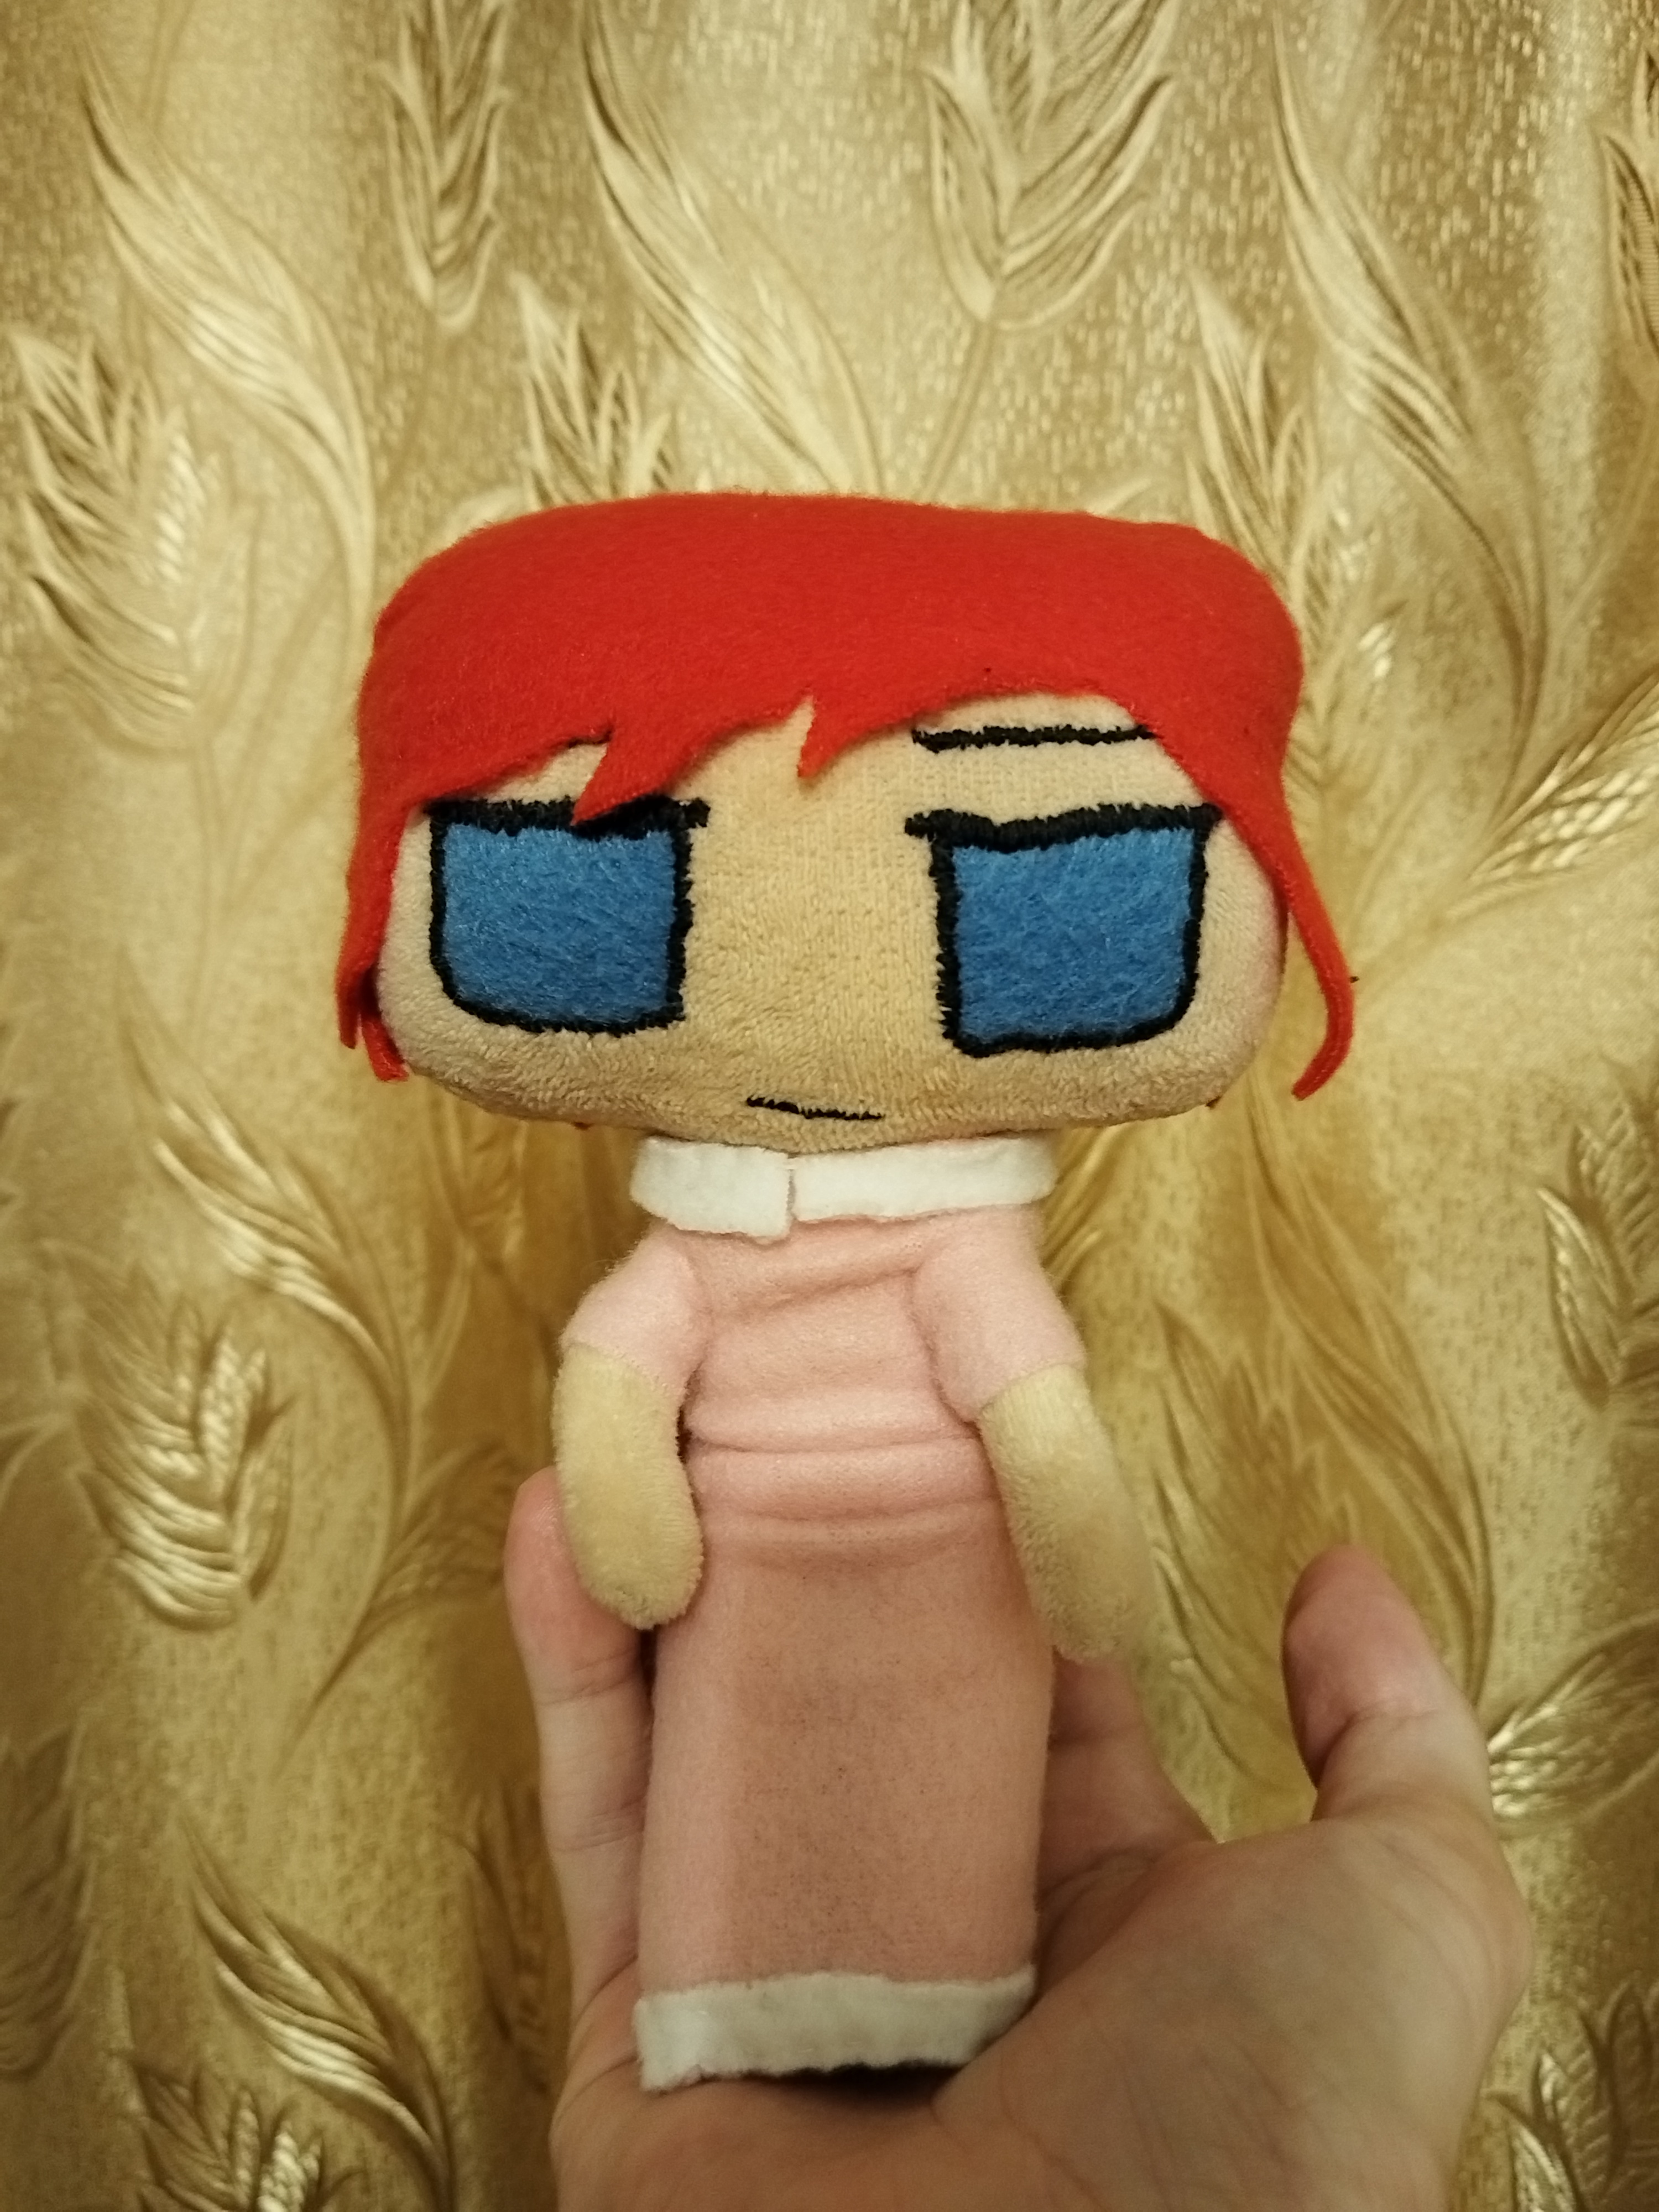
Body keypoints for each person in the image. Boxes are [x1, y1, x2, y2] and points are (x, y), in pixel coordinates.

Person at [505, 1474, 1531, 2211]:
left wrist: (1082, 1560)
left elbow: (1034, 1417)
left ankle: (823, 1996)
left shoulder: (959, 1266)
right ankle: (730, 1999)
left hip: (908, 1626)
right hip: (760, 1614)